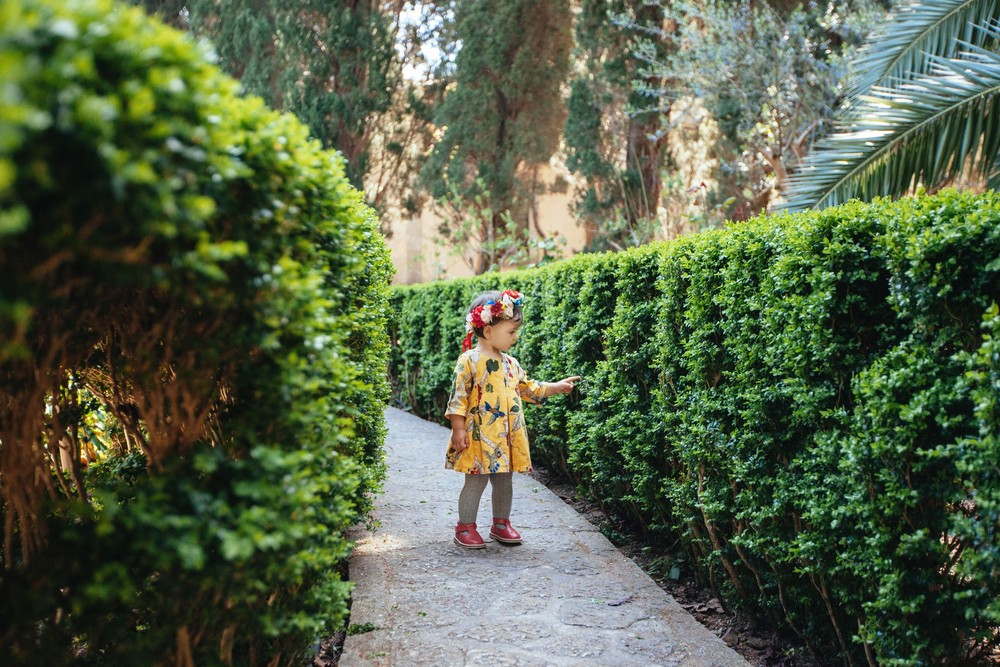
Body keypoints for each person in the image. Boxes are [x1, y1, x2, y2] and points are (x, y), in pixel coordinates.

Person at [444, 289, 580, 549]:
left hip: (505, 436)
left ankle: (500, 523)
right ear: (487, 331)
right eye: (511, 332)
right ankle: (465, 526)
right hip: (478, 434)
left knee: (504, 478)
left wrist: (555, 386)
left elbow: (529, 388)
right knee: (476, 478)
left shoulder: (511, 364)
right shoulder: (469, 361)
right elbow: (458, 397)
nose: (515, 337)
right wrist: (458, 428)